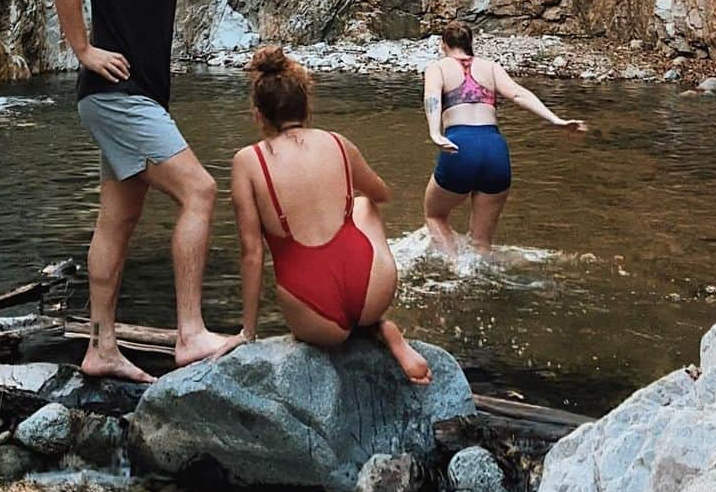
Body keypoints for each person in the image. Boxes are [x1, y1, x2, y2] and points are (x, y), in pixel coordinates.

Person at [50, 0, 228, 382]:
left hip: (134, 98)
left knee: (118, 221)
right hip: (119, 96)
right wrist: (82, 49)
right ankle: (190, 334)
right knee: (200, 191)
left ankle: (101, 347)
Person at [218, 47, 431, 384]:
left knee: (304, 249)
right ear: (307, 106)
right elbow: (382, 194)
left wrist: (248, 332)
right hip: (373, 291)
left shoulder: (247, 161)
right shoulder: (338, 143)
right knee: (364, 205)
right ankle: (377, 324)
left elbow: (252, 253)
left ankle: (369, 329)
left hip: (315, 315)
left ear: (259, 115)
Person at [423, 20, 587, 256]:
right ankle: (479, 275)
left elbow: (432, 97)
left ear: (443, 45)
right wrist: (556, 120)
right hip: (495, 150)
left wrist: (434, 132)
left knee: (435, 215)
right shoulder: (490, 67)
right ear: (471, 43)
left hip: (459, 146)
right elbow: (519, 94)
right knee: (481, 242)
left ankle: (455, 271)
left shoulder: (438, 68)